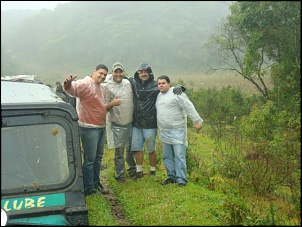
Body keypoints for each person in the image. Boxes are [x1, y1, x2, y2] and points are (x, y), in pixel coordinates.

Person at [63, 64, 118, 196]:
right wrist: (68, 83)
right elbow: (72, 90)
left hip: (100, 126)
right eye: (100, 73)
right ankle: (88, 187)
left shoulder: (101, 87)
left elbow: (102, 107)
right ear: (94, 72)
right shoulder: (85, 83)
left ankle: (96, 182)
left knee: (98, 158)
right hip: (88, 128)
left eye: (105, 75)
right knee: (89, 159)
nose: (103, 76)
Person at [127, 62, 185, 179]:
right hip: (137, 123)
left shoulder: (156, 85)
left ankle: (153, 170)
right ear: (138, 73)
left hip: (150, 124)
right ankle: (139, 171)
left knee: (151, 148)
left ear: (150, 73)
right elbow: (118, 77)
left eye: (145, 72)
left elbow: (169, 88)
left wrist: (180, 87)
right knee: (136, 148)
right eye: (141, 72)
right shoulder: (133, 83)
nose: (143, 74)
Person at [155, 75, 203, 187]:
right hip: (164, 131)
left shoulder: (177, 93)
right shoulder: (158, 95)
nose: (161, 85)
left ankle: (181, 179)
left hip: (178, 130)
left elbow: (188, 106)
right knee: (167, 156)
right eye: (159, 83)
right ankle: (171, 176)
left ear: (169, 83)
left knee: (179, 155)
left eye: (163, 83)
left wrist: (197, 120)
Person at [103, 62, 137, 184]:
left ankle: (133, 171)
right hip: (117, 123)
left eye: (120, 71)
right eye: (116, 71)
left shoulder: (128, 83)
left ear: (124, 72)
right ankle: (120, 175)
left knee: (131, 149)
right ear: (112, 72)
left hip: (130, 122)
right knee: (119, 152)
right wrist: (112, 104)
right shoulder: (106, 86)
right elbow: (104, 107)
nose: (118, 74)